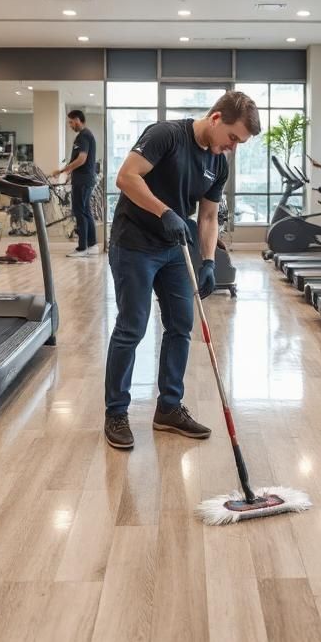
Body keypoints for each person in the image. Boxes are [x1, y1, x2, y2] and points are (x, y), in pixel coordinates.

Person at [104, 91, 261, 450]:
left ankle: (169, 408)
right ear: (217, 118)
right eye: (233, 138)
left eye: (240, 143)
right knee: (132, 327)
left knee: (181, 325)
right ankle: (116, 413)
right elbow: (126, 177)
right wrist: (165, 211)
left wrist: (208, 261)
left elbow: (207, 216)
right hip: (134, 244)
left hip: (175, 249)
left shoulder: (219, 163)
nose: (233, 147)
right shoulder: (166, 135)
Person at [52, 110, 98, 255]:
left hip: (83, 180)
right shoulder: (87, 135)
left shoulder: (83, 136)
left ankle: (82, 248)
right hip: (85, 179)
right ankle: (91, 244)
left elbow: (81, 159)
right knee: (86, 211)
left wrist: (63, 170)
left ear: (78, 120)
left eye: (71, 122)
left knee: (80, 211)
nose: (70, 125)